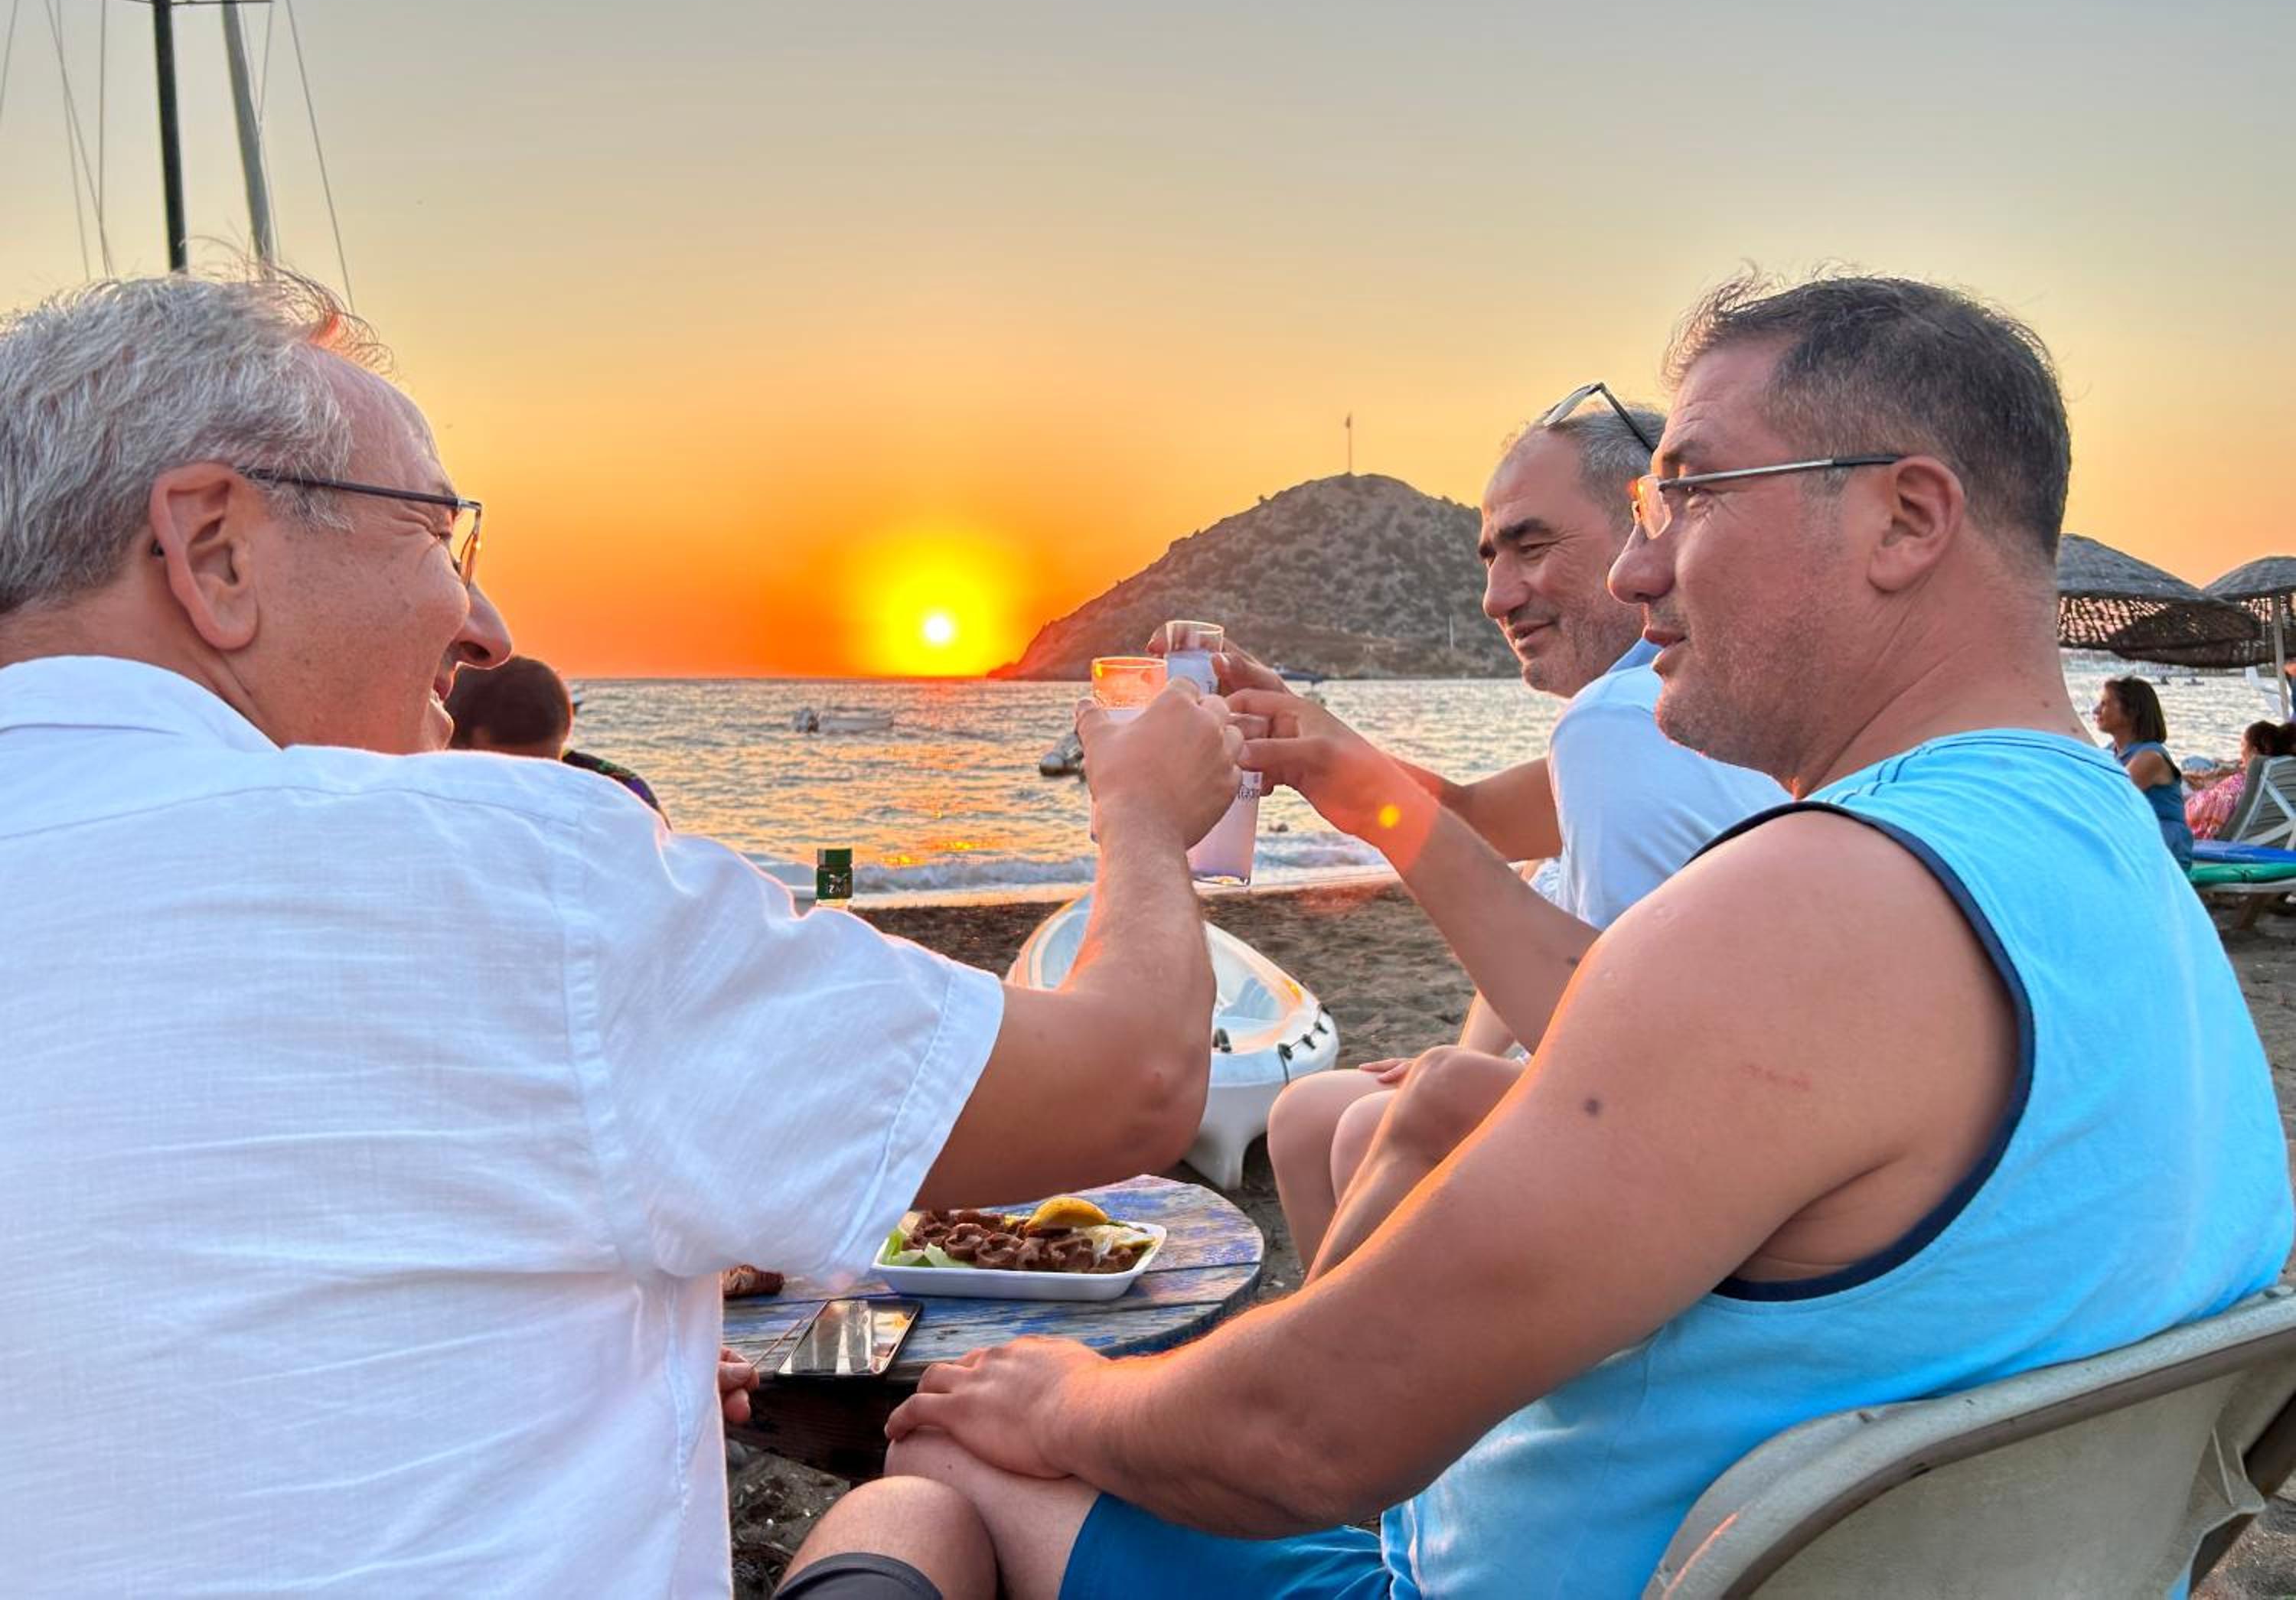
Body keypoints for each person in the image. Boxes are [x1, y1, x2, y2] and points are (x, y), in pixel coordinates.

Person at [812, 275, 2291, 1599]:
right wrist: (1324, 756)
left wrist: (1070, 1395)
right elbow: (1477, 842)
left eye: (1691, 497)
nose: (1638, 575)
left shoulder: (1820, 899)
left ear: (1907, 518)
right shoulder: (2110, 857)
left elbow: (1307, 1433)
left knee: (949, 1453)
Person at [0, 272, 1242, 1595]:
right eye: (436, 537)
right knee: (921, 1514)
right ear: (214, 549)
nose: (485, 628)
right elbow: (1132, 1076)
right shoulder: (503, 872)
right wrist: (1144, 816)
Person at [1260, 401, 1782, 1266]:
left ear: (1652, 528)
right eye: (1492, 558)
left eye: (1532, 547)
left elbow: (1629, 1049)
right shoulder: (1675, 707)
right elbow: (1475, 818)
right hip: (1701, 1084)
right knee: (1311, 1112)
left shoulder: (1622, 717)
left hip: (1680, 1134)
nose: (1497, 597)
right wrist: (1306, 734)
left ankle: (1336, 1337)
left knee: (1354, 1124)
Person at [447, 650, 666, 814]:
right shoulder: (441, 792)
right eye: (507, 773)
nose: (527, 787)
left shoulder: (623, 793)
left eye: (546, 769)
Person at [2095, 673, 2193, 862]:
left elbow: (2109, 797)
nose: (2096, 710)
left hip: (2163, 846)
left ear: (2132, 712)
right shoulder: (2111, 752)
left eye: (2105, 704)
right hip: (2136, 837)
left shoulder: (2150, 757)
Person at [2185, 719, 2295, 842]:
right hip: (2276, 842)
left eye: (2242, 745)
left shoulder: (2236, 785)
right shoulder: (2281, 779)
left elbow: (2192, 814)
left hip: (2230, 847)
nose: (2240, 752)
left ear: (2254, 752)